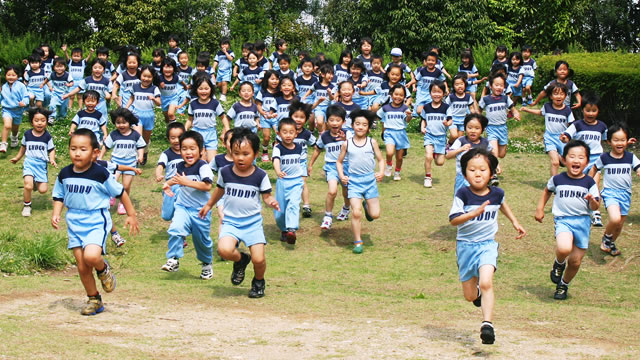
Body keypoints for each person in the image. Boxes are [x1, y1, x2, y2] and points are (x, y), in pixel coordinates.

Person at [52, 129, 139, 315]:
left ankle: (103, 269)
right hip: (74, 222)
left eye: (83, 149)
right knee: (82, 266)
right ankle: (94, 299)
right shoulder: (65, 173)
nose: (77, 153)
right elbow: (58, 196)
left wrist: (131, 214)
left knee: (91, 257)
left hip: (95, 220)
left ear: (95, 153)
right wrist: (56, 213)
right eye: (73, 148)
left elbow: (120, 192)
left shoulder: (100, 173)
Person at [449, 147, 526, 344]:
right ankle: (478, 295)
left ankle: (487, 325)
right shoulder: (463, 194)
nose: (477, 173)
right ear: (465, 173)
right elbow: (454, 221)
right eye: (472, 169)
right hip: (465, 246)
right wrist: (472, 214)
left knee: (486, 282)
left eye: (482, 169)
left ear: (491, 172)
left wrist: (515, 222)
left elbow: (502, 204)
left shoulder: (497, 193)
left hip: (487, 245)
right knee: (469, 296)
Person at [199, 128, 280, 298]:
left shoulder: (260, 175)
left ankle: (258, 281)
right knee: (224, 250)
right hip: (231, 222)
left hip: (252, 223)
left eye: (245, 153)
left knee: (259, 260)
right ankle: (241, 260)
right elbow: (219, 191)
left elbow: (266, 196)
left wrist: (271, 201)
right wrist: (208, 205)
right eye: (236, 153)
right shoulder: (225, 172)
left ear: (256, 154)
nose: (240, 158)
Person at [535, 140, 600, 300]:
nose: (576, 160)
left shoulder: (589, 182)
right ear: (564, 160)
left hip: (583, 222)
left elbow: (595, 206)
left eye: (581, 157)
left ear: (586, 161)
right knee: (564, 248)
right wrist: (540, 208)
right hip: (563, 220)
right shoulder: (558, 179)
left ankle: (563, 285)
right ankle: (558, 263)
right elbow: (547, 190)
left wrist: (592, 200)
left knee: (575, 262)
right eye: (572, 156)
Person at [161, 130, 215, 279]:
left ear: (201, 150)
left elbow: (207, 186)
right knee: (175, 229)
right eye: (184, 149)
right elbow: (176, 179)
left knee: (201, 241)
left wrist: (187, 182)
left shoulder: (203, 166)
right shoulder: (180, 166)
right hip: (182, 207)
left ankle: (206, 264)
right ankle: (173, 259)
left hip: (201, 211)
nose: (188, 152)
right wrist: (167, 184)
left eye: (192, 148)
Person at [336, 109, 384, 254]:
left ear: (368, 127)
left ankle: (367, 205)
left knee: (375, 215)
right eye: (357, 124)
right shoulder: (347, 144)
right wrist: (342, 175)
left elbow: (381, 160)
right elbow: (339, 162)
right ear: (352, 125)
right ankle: (358, 241)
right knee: (356, 213)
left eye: (364, 124)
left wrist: (381, 172)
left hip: (370, 182)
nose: (360, 127)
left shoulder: (372, 142)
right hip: (354, 182)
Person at [589, 122, 640, 257]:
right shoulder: (604, 157)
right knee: (615, 218)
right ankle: (606, 239)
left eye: (622, 140)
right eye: (616, 140)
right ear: (609, 141)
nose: (619, 143)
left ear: (627, 141)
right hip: (610, 193)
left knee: (619, 226)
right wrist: (587, 183)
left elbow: (638, 167)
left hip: (626, 194)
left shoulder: (630, 157)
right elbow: (594, 168)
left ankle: (611, 243)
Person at [560, 92, 608, 226]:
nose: (590, 114)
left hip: (596, 160)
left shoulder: (602, 126)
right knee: (580, 184)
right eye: (588, 110)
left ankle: (596, 213)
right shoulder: (577, 125)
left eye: (594, 111)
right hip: (580, 160)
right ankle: (577, 207)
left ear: (598, 111)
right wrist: (565, 138)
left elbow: (608, 140)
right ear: (583, 110)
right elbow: (567, 134)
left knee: (594, 183)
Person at [308, 105, 352, 229]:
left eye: (338, 120)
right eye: (331, 120)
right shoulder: (324, 136)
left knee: (346, 191)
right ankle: (327, 217)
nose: (334, 123)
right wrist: (310, 165)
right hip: (331, 167)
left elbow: (356, 147)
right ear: (327, 122)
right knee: (332, 191)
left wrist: (346, 140)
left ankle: (346, 209)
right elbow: (317, 150)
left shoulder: (348, 134)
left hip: (346, 166)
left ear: (343, 122)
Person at [10, 107, 56, 217]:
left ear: (46, 121)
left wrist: (52, 159)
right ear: (31, 122)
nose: (40, 123)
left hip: (41, 165)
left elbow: (51, 149)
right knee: (28, 186)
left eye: (43, 120)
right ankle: (27, 206)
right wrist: (17, 158)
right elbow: (23, 148)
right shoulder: (27, 134)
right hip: (29, 163)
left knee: (43, 190)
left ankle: (35, 183)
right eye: (36, 120)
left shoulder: (47, 136)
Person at [520, 83, 574, 176]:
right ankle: (552, 185)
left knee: (567, 162)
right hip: (549, 138)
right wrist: (527, 109)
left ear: (565, 96)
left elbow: (573, 125)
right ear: (551, 96)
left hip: (562, 139)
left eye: (561, 94)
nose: (559, 96)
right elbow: (540, 113)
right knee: (555, 162)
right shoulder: (547, 106)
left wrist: (568, 136)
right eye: (556, 94)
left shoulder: (567, 110)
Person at [100, 108, 146, 215]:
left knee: (126, 185)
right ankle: (112, 195)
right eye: (118, 123)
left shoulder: (135, 135)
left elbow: (141, 146)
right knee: (112, 182)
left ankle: (122, 203)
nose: (121, 125)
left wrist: (141, 156)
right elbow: (106, 146)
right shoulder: (114, 135)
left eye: (124, 122)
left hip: (130, 164)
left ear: (129, 122)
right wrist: (100, 157)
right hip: (115, 163)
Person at [478, 73, 520, 186]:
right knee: (494, 151)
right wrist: (478, 123)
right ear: (490, 86)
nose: (499, 87)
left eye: (501, 85)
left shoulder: (506, 98)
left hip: (503, 128)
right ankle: (493, 174)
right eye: (496, 85)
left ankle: (490, 156)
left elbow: (513, 109)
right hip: (491, 128)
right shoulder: (486, 99)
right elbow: (479, 111)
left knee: (502, 154)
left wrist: (516, 113)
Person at [272, 118, 304, 244]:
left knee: (293, 204)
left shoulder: (299, 148)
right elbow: (275, 160)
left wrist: (303, 174)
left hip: (296, 181)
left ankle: (292, 229)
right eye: (284, 132)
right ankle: (284, 230)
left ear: (296, 133)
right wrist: (278, 171)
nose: (288, 135)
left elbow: (301, 162)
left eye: (291, 132)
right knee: (280, 211)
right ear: (279, 134)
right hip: (283, 182)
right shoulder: (278, 148)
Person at [186, 74, 229, 162]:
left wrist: (227, 129)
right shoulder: (193, 104)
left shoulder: (215, 103)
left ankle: (210, 153)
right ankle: (202, 153)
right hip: (197, 132)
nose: (203, 91)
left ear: (211, 89)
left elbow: (223, 118)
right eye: (200, 89)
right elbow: (190, 120)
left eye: (206, 88)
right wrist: (185, 129)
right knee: (201, 161)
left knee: (212, 161)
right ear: (196, 90)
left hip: (211, 133)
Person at [446, 114, 492, 195]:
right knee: (460, 199)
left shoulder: (485, 143)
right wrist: (461, 149)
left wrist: (496, 165)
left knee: (477, 198)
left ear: (482, 129)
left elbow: (490, 156)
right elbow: (448, 155)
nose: (473, 131)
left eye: (477, 128)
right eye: (470, 128)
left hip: (479, 177)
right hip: (462, 176)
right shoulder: (461, 141)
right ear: (465, 128)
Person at [125, 65, 161, 164]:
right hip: (137, 114)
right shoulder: (135, 86)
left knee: (145, 140)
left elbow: (159, 102)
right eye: (144, 76)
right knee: (138, 136)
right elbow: (132, 98)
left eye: (149, 77)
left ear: (153, 77)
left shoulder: (154, 89)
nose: (146, 79)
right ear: (140, 75)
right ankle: (137, 158)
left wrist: (153, 99)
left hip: (149, 116)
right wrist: (126, 108)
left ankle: (145, 152)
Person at [420, 81, 452, 188]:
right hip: (429, 135)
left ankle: (437, 153)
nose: (436, 94)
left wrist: (447, 123)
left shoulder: (446, 107)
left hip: (441, 137)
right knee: (428, 156)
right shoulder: (426, 107)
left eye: (439, 92)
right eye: (434, 91)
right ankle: (428, 177)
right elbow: (423, 120)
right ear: (430, 93)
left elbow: (450, 120)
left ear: (443, 93)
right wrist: (422, 127)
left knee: (440, 162)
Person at [287, 100, 316, 218]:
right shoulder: (286, 132)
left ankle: (306, 206)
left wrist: (310, 164)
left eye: (302, 117)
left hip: (301, 163)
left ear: (306, 119)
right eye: (295, 117)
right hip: (288, 164)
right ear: (290, 117)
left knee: (302, 183)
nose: (298, 120)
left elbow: (317, 146)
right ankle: (290, 203)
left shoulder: (307, 134)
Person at [377, 84, 411, 181]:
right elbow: (378, 116)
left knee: (399, 157)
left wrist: (409, 116)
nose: (398, 97)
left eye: (401, 95)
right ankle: (388, 165)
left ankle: (397, 171)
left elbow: (408, 120)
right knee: (389, 152)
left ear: (404, 97)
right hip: (389, 133)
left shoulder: (405, 108)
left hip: (401, 134)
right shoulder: (385, 108)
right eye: (396, 94)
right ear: (391, 94)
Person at [64, 59, 113, 125]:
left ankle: (102, 134)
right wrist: (68, 95)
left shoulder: (106, 81)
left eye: (100, 68)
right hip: (89, 102)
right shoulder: (87, 80)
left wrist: (109, 97)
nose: (97, 69)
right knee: (87, 119)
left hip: (101, 103)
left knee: (102, 121)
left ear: (103, 70)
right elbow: (78, 88)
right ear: (92, 69)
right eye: (95, 68)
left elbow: (110, 93)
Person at [156, 121, 185, 222]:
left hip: (184, 186)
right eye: (173, 138)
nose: (177, 140)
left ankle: (181, 231)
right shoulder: (166, 154)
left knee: (181, 210)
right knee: (167, 215)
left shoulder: (188, 152)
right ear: (168, 139)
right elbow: (160, 166)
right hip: (170, 186)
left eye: (180, 137)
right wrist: (159, 175)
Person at [1, 65, 30, 152]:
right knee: (7, 125)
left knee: (15, 128)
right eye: (8, 75)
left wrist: (24, 102)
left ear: (18, 76)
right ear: (5, 75)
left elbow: (26, 97)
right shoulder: (3, 87)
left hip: (18, 111)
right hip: (7, 110)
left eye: (13, 75)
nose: (11, 77)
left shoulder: (21, 86)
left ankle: (14, 137)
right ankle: (3, 144)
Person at [409, 51, 446, 117]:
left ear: (436, 62)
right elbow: (416, 79)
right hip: (422, 93)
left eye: (433, 60)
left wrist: (447, 89)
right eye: (429, 60)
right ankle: (425, 120)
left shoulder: (438, 72)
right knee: (419, 111)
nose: (430, 62)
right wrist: (410, 83)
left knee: (431, 109)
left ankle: (429, 122)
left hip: (432, 94)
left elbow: (443, 80)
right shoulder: (422, 71)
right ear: (426, 61)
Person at [446, 73, 477, 146]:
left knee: (459, 139)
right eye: (456, 85)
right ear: (453, 86)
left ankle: (456, 150)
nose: (459, 86)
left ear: (465, 84)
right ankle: (449, 144)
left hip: (463, 120)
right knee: (454, 135)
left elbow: (471, 107)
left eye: (461, 84)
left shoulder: (468, 97)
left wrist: (473, 115)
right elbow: (445, 106)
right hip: (452, 119)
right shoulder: (451, 97)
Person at [303, 64, 335, 133]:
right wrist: (305, 96)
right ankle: (321, 135)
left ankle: (325, 135)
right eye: (329, 73)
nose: (331, 76)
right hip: (318, 107)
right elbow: (311, 90)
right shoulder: (316, 84)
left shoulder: (332, 86)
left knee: (327, 125)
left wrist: (329, 93)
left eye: (332, 74)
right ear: (323, 75)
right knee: (320, 122)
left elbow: (332, 98)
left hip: (328, 108)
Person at [41, 58, 73, 124]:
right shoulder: (52, 74)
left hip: (64, 94)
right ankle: (51, 117)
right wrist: (43, 84)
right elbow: (47, 79)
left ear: (65, 67)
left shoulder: (67, 75)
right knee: (52, 104)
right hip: (55, 93)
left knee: (63, 108)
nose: (59, 68)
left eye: (61, 66)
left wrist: (69, 84)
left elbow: (72, 82)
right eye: (57, 67)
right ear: (54, 67)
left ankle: (61, 117)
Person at [256, 70, 280, 154]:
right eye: (272, 79)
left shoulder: (280, 92)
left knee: (279, 135)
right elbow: (258, 105)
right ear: (267, 80)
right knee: (266, 137)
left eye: (277, 79)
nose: (275, 81)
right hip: (265, 117)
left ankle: (276, 147)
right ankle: (265, 151)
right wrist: (262, 113)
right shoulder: (263, 91)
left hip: (276, 117)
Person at [62, 45, 93, 110]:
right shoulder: (70, 62)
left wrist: (91, 53)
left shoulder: (83, 63)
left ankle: (80, 108)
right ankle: (69, 108)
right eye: (74, 56)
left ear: (81, 57)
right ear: (72, 56)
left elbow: (88, 59)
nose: (76, 58)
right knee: (71, 96)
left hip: (80, 81)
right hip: (71, 81)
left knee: (80, 96)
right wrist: (65, 51)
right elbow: (67, 57)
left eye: (78, 56)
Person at [159, 58, 188, 124]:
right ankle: (168, 127)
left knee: (171, 114)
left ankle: (174, 128)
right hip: (163, 98)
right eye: (165, 67)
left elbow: (181, 81)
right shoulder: (160, 78)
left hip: (173, 98)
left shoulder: (176, 77)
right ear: (162, 68)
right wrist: (159, 85)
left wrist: (185, 87)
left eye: (170, 67)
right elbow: (155, 87)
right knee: (166, 116)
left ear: (174, 68)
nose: (168, 70)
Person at [213, 36, 235, 102]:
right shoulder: (218, 53)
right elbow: (216, 61)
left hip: (227, 71)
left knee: (224, 83)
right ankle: (222, 92)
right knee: (219, 84)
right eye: (222, 44)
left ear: (229, 45)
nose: (224, 46)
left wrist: (225, 52)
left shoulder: (231, 52)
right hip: (220, 71)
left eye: (225, 44)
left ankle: (224, 95)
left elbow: (231, 59)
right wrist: (213, 68)